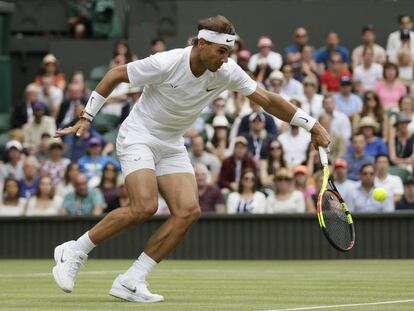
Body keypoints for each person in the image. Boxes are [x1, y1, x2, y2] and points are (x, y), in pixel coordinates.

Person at [51, 15, 330, 302]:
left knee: (188, 211)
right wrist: (86, 117)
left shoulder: (228, 71)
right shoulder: (166, 62)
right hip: (139, 135)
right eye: (221, 51)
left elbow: (269, 100)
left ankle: (132, 280)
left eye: (229, 53)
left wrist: (313, 125)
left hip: (171, 142)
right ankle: (75, 249)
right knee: (144, 206)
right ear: (201, 43)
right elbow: (116, 74)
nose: (225, 59)